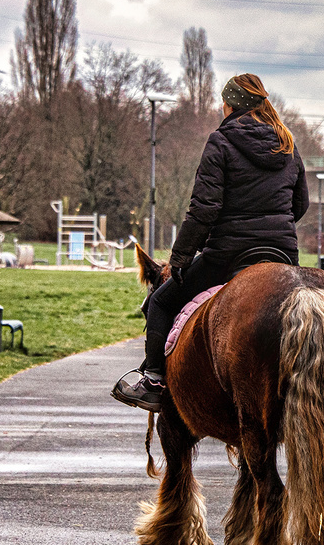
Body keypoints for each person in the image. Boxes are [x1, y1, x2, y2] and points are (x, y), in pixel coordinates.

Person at [113, 73, 308, 410]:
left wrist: (180, 258)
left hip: (229, 255)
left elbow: (205, 208)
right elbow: (300, 204)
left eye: (224, 101)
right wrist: (274, 227)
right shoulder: (287, 143)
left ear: (230, 104)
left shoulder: (221, 141)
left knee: (160, 302)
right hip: (281, 255)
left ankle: (154, 381)